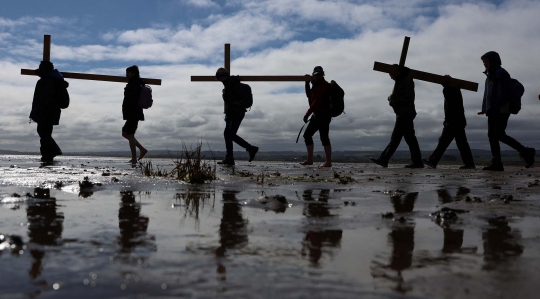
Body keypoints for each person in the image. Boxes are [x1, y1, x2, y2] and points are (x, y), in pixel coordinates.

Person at [478, 52, 535, 171]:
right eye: (484, 62)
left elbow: (505, 93)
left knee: (498, 134)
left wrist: (495, 106)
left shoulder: (501, 73)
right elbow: (487, 94)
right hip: (492, 109)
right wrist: (485, 108)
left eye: (487, 61)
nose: (484, 63)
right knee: (492, 135)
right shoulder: (489, 75)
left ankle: (524, 152)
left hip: (501, 109)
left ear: (493, 61)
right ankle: (497, 162)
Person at [370, 65, 423, 168]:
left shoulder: (407, 81)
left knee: (396, 138)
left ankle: (384, 159)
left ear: (397, 72)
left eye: (391, 74)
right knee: (410, 139)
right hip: (403, 113)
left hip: (405, 113)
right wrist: (391, 98)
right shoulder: (400, 81)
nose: (391, 77)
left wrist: (394, 101)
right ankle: (417, 162)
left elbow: (408, 97)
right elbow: (396, 95)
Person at [422, 75, 475, 169]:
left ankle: (433, 161)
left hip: (453, 122)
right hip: (456, 121)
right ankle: (469, 163)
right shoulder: (455, 90)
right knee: (460, 143)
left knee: (445, 142)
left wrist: (447, 122)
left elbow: (451, 107)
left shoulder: (450, 90)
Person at [215, 68, 258, 166]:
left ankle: (250, 149)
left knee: (229, 134)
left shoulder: (229, 86)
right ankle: (230, 157)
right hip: (239, 112)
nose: (219, 80)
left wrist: (225, 95)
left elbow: (228, 100)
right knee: (229, 134)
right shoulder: (235, 84)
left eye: (219, 77)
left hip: (234, 112)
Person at [29, 61, 68, 163]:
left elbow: (43, 99)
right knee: (44, 133)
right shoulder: (53, 80)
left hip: (46, 113)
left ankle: (48, 155)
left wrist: (37, 113)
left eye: (41, 68)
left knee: (44, 133)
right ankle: (51, 153)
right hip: (49, 113)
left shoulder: (47, 82)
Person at [300, 66, 337, 168]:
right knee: (307, 135)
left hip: (324, 115)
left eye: (319, 74)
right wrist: (307, 83)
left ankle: (328, 162)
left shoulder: (324, 86)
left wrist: (307, 114)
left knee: (324, 137)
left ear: (323, 75)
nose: (318, 76)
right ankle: (310, 159)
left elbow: (315, 103)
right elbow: (310, 96)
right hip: (317, 115)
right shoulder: (315, 86)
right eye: (316, 75)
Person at [122, 65, 147, 165]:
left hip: (133, 113)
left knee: (129, 134)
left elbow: (131, 99)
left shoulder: (134, 84)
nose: (126, 74)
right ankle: (142, 150)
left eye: (128, 73)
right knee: (125, 133)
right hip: (132, 113)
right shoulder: (135, 83)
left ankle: (134, 158)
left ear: (133, 73)